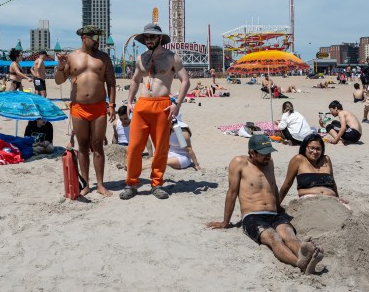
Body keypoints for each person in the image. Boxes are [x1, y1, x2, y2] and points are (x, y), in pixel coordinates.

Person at [206, 135, 324, 275]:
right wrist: (225, 222)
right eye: (264, 154)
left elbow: (272, 186)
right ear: (252, 152)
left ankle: (305, 254)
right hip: (253, 217)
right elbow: (231, 193)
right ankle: (299, 263)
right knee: (274, 238)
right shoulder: (239, 163)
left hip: (274, 214)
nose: (268, 156)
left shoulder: (269, 162)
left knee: (289, 236)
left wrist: (280, 209)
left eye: (269, 152)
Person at [121, 23, 190, 201]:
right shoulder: (140, 58)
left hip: (163, 105)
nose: (149, 40)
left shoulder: (172, 57)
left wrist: (178, 104)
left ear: (160, 38)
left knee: (160, 148)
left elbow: (185, 81)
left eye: (152, 37)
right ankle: (131, 183)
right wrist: (129, 101)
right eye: (146, 37)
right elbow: (135, 80)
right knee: (135, 147)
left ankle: (157, 183)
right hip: (142, 105)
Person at [55, 25, 116, 197]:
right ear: (83, 37)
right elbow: (59, 81)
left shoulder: (104, 58)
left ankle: (101, 184)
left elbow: (111, 82)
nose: (97, 40)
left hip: (98, 107)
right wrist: (61, 66)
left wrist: (111, 105)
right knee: (82, 146)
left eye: (98, 37)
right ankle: (86, 184)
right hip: (79, 107)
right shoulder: (72, 57)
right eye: (93, 37)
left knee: (98, 146)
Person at [278, 134, 339, 203]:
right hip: (309, 202)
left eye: (318, 149)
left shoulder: (326, 160)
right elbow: (287, 184)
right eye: (312, 148)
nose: (315, 152)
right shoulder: (298, 159)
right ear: (305, 147)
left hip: (331, 201)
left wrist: (338, 200)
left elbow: (333, 184)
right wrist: (277, 204)